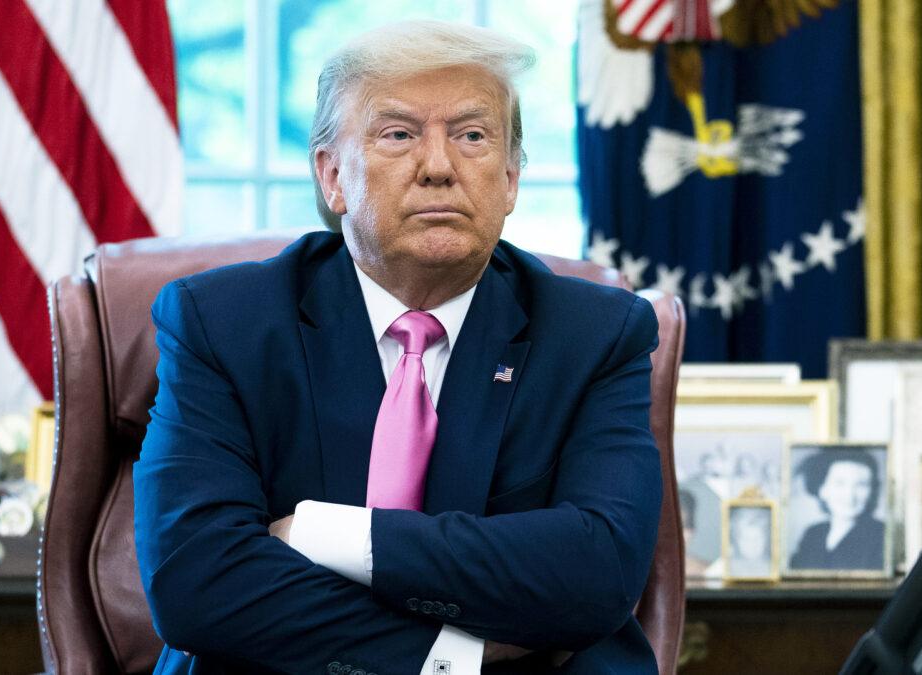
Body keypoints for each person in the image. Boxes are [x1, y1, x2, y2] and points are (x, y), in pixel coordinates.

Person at [133, 21, 662, 675]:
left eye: (471, 135)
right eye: (399, 134)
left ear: (511, 177)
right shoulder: (224, 323)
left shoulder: (594, 334)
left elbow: (599, 571)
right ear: (331, 175)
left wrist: (329, 534)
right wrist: (447, 654)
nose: (439, 166)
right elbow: (195, 582)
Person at [788, 449, 885, 571]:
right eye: (840, 483)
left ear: (872, 491)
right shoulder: (813, 534)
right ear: (822, 489)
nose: (850, 496)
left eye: (861, 484)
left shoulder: (881, 535)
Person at [727, 506, 772, 578]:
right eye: (746, 539)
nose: (752, 545)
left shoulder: (772, 568)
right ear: (737, 541)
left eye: (757, 539)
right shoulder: (728, 567)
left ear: (765, 540)